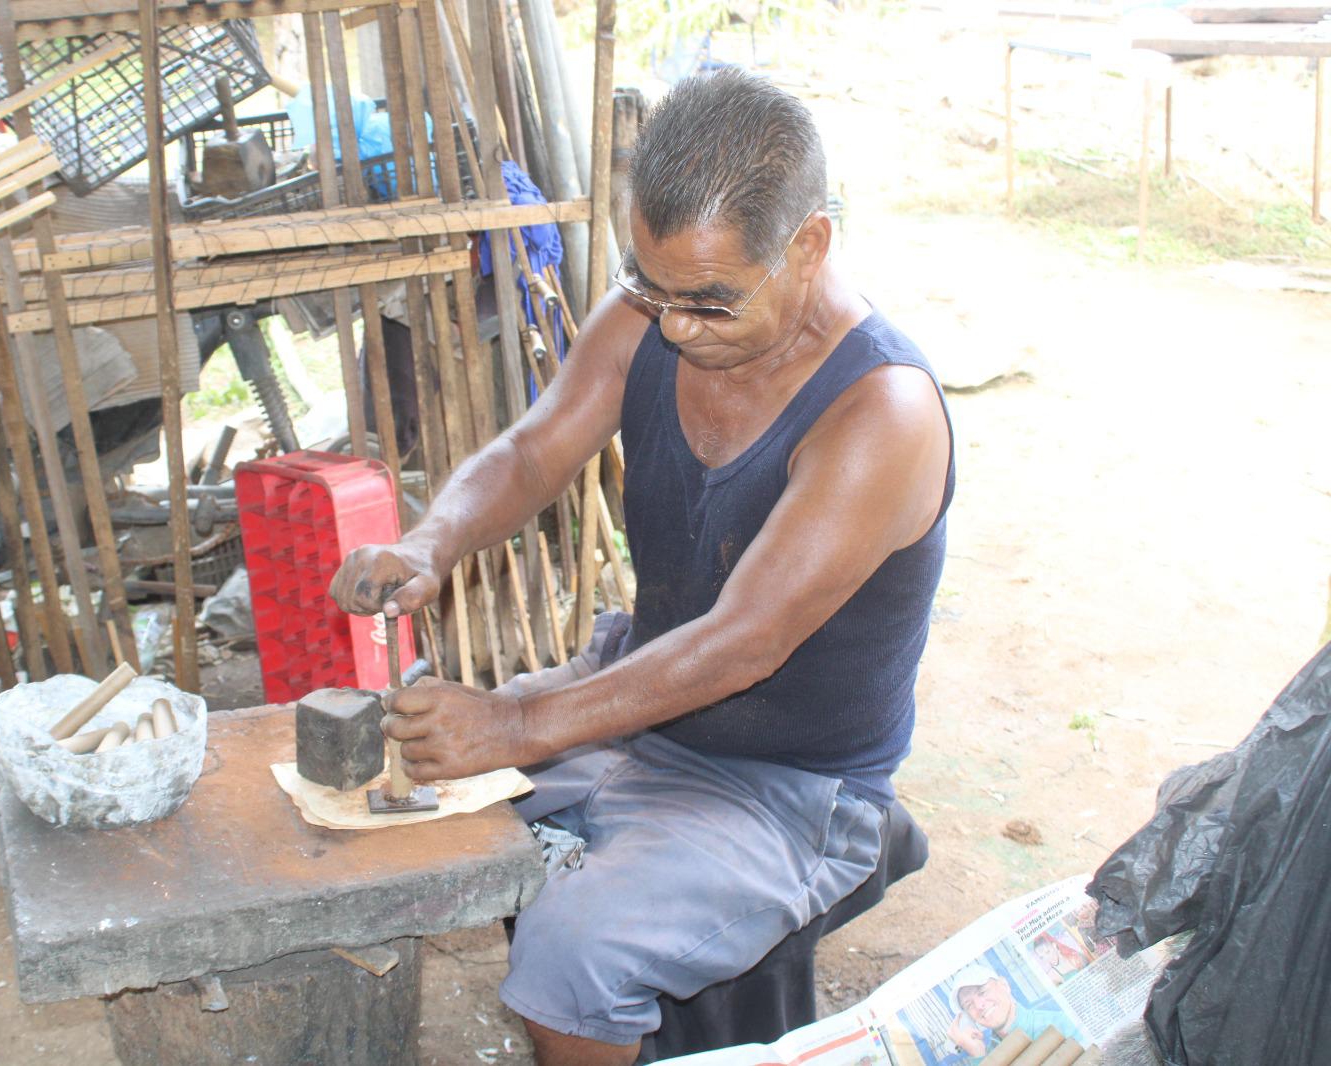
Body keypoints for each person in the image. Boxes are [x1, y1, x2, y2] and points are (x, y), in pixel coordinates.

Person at [329, 68, 955, 1066]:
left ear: (809, 245)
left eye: (708, 300)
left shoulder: (881, 412)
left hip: (787, 784)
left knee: (570, 954)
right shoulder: (651, 312)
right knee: (394, 795)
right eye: (651, 286)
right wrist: (428, 542)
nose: (672, 324)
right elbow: (532, 453)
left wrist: (517, 726)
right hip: (635, 688)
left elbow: (742, 641)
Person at [946, 964, 1084, 1056]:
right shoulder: (984, 1055)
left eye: (982, 992)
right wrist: (979, 1056)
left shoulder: (1062, 1023)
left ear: (1004, 985)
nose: (978, 1005)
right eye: (969, 1005)